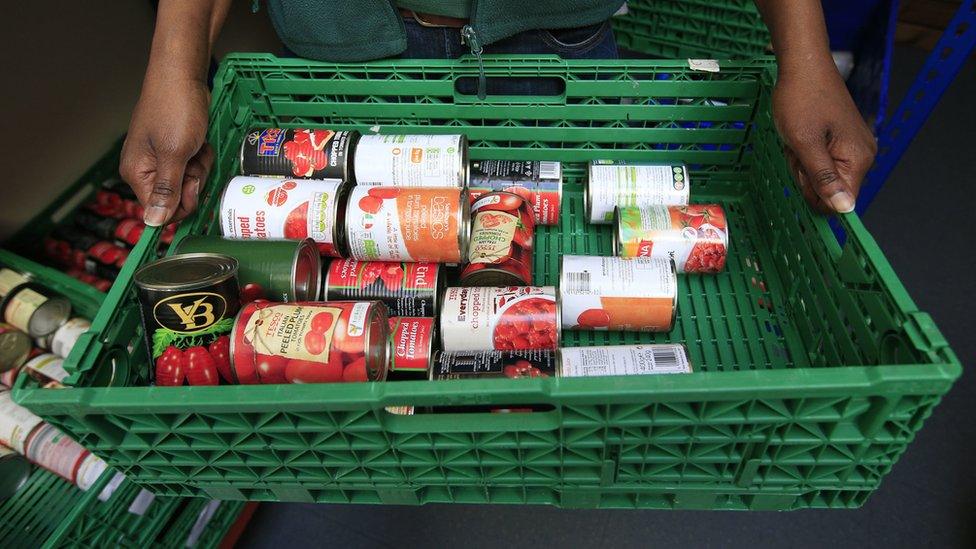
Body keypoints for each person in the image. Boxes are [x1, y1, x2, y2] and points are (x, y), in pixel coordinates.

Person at [121, 0, 876, 226]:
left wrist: (805, 57)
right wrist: (174, 61)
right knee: (354, 249)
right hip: (345, 47)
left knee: (561, 233)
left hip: (557, 40)